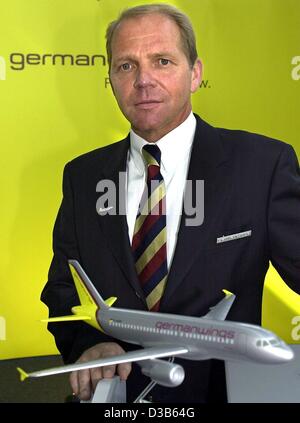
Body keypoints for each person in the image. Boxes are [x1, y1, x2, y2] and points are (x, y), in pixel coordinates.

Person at [41, 3, 300, 403]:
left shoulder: (261, 166)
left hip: (224, 393)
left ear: (195, 74)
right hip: (115, 398)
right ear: (109, 78)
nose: (144, 80)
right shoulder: (83, 176)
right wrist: (87, 344)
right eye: (126, 66)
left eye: (162, 61)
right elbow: (62, 288)